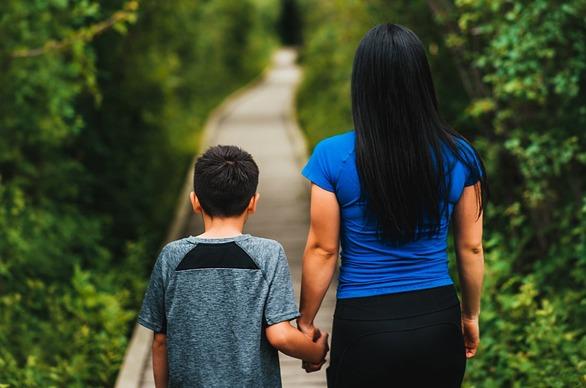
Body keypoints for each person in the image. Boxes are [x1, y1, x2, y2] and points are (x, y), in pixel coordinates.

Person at [297, 24, 488, 387]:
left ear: (363, 84)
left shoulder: (331, 156)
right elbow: (471, 246)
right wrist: (469, 316)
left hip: (365, 325)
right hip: (437, 320)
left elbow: (323, 249)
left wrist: (305, 324)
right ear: (421, 81)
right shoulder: (459, 155)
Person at [138, 145, 329, 388]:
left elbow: (160, 341)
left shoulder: (171, 257)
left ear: (195, 202)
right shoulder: (267, 254)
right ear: (253, 202)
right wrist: (315, 352)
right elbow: (280, 335)